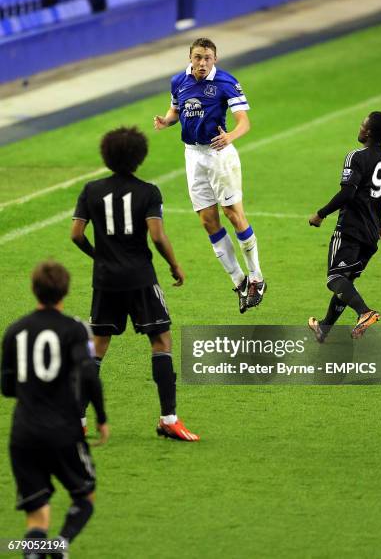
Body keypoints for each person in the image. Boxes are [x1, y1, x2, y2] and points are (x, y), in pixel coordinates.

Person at [71, 126, 199, 441]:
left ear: (106, 155)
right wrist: (174, 264)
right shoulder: (148, 192)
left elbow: (76, 235)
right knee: (161, 341)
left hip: (105, 280)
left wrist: (99, 256)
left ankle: (77, 421)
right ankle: (169, 419)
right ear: (139, 157)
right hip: (140, 278)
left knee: (97, 347)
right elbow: (157, 236)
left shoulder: (90, 190)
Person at [1, 260, 109, 559]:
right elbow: (89, 375)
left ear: (34, 290)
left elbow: (7, 388)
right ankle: (61, 543)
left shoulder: (14, 331)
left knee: (36, 517)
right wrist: (100, 417)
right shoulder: (75, 329)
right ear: (65, 291)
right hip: (63, 429)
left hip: (23, 433)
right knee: (85, 495)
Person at [153, 37, 266, 313]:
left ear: (215, 59)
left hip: (218, 154)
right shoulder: (178, 81)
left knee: (232, 214)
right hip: (192, 156)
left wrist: (230, 137)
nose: (202, 63)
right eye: (197, 57)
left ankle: (257, 277)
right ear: (190, 58)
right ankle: (239, 281)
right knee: (207, 220)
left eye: (207, 57)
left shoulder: (226, 82)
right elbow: (176, 109)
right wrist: (167, 120)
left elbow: (244, 121)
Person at [308, 111, 381, 339]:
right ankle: (324, 328)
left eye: (363, 125)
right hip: (371, 234)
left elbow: (348, 193)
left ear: (369, 132)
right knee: (347, 281)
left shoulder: (356, 156)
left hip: (350, 228)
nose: (360, 127)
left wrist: (321, 214)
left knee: (335, 279)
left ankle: (364, 312)